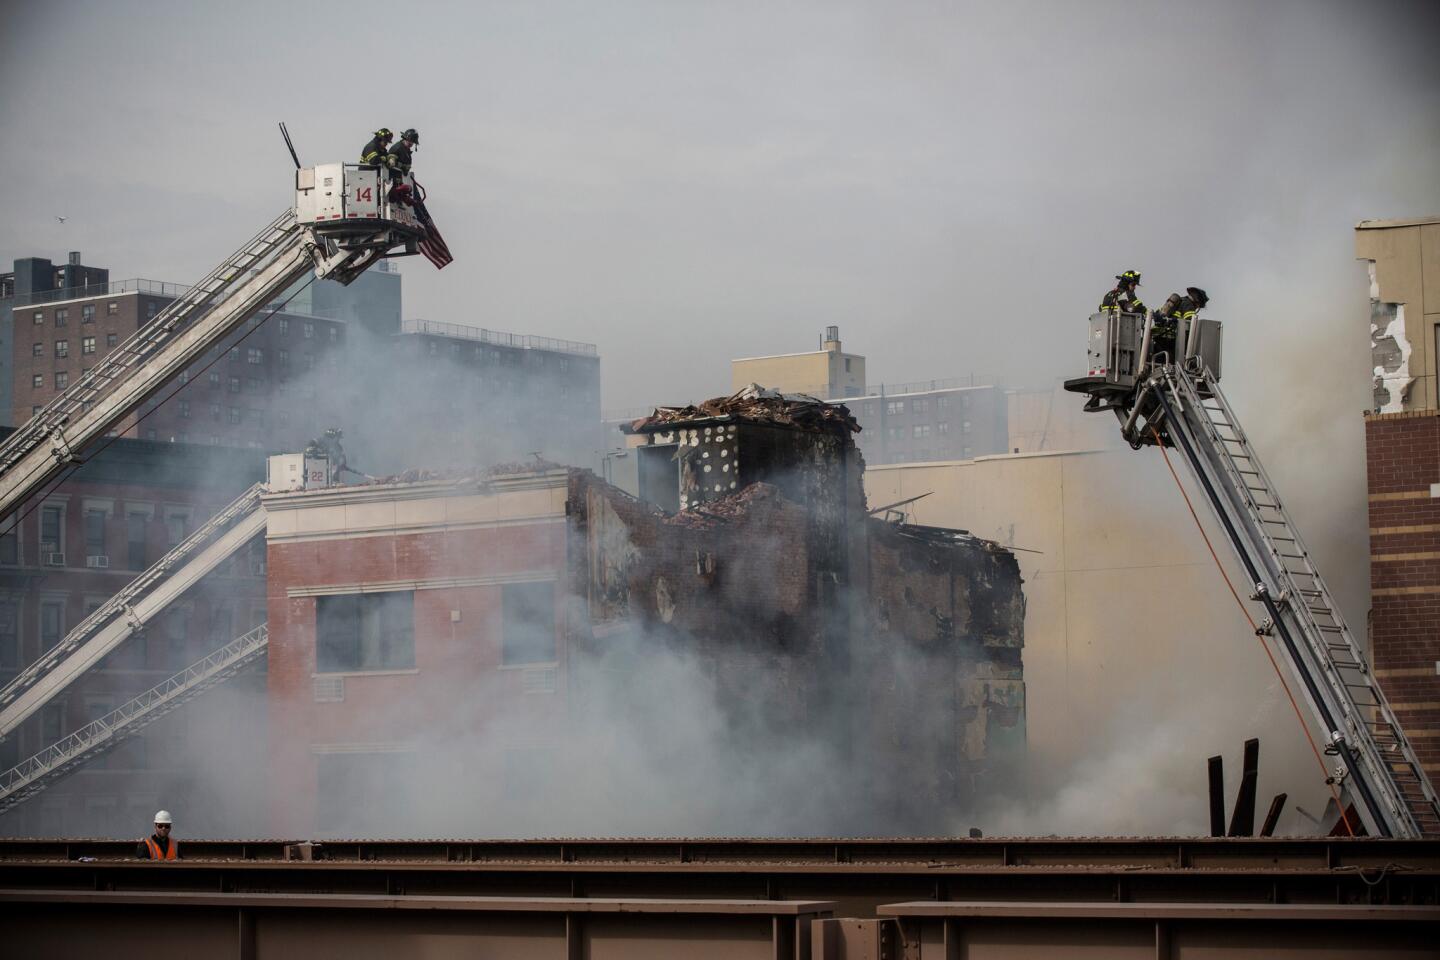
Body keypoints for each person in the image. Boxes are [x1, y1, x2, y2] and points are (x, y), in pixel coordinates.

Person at [1150, 286, 1210, 361]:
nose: (1197, 308)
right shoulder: (1189, 305)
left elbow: (1158, 315)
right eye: (1199, 306)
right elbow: (1189, 325)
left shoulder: (1179, 301)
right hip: (1170, 340)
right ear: (1197, 302)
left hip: (1159, 337)